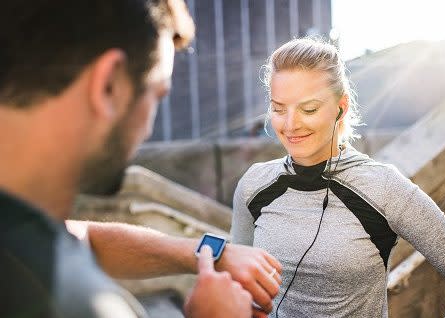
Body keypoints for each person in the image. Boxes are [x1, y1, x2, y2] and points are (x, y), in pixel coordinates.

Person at [0, 1, 281, 317]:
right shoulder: (73, 300)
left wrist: (213, 253)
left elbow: (81, 236)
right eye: (156, 94)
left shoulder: (23, 226)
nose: (147, 130)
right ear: (108, 86)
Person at [231, 38, 445, 318]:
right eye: (278, 108)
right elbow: (236, 287)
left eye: (309, 109)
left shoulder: (384, 187)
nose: (290, 125)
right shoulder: (254, 184)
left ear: (341, 107)